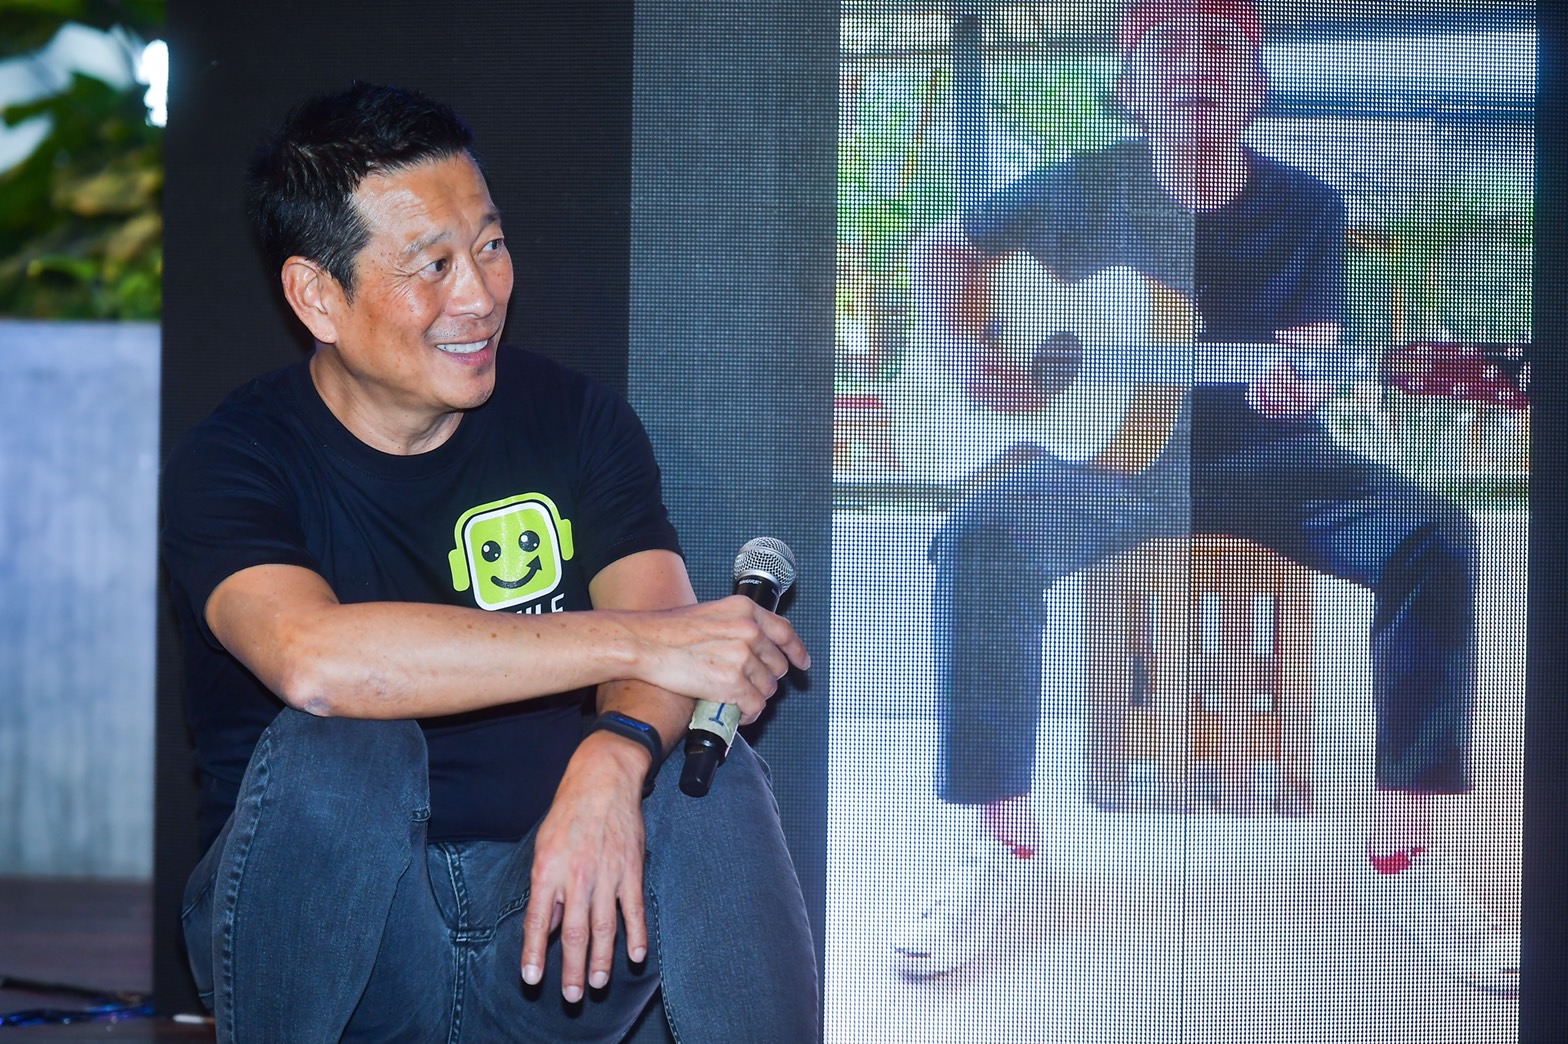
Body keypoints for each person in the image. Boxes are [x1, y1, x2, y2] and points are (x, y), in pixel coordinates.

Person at [161, 82, 818, 1042]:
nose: (479, 295)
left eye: (492, 245)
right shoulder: (236, 459)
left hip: (551, 914)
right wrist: (639, 644)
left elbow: (674, 658)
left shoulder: (576, 420)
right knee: (350, 744)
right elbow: (316, 661)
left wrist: (616, 753)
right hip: (335, 943)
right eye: (432, 265)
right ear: (317, 297)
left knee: (701, 774)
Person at [891, 0, 1515, 995]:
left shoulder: (1307, 207)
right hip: (1104, 466)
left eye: (1223, 48)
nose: (1197, 66)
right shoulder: (1080, 183)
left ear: (1257, 87)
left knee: (1435, 535)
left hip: (1270, 459)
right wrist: (966, 351)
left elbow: (1314, 349)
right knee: (977, 540)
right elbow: (939, 249)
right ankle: (998, 848)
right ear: (1129, 89)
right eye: (1167, 48)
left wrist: (1305, 382)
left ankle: (1402, 853)